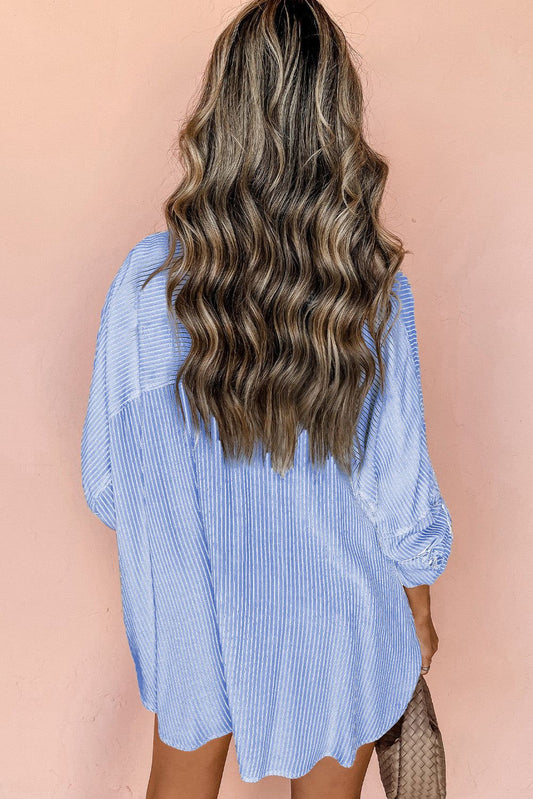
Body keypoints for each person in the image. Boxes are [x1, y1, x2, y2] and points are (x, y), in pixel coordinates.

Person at [80, 0, 454, 796]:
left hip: (190, 618)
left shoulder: (143, 286)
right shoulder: (373, 295)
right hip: (337, 623)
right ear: (336, 125)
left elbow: (109, 485)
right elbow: (399, 502)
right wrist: (417, 610)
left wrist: (208, 522)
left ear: (221, 112)